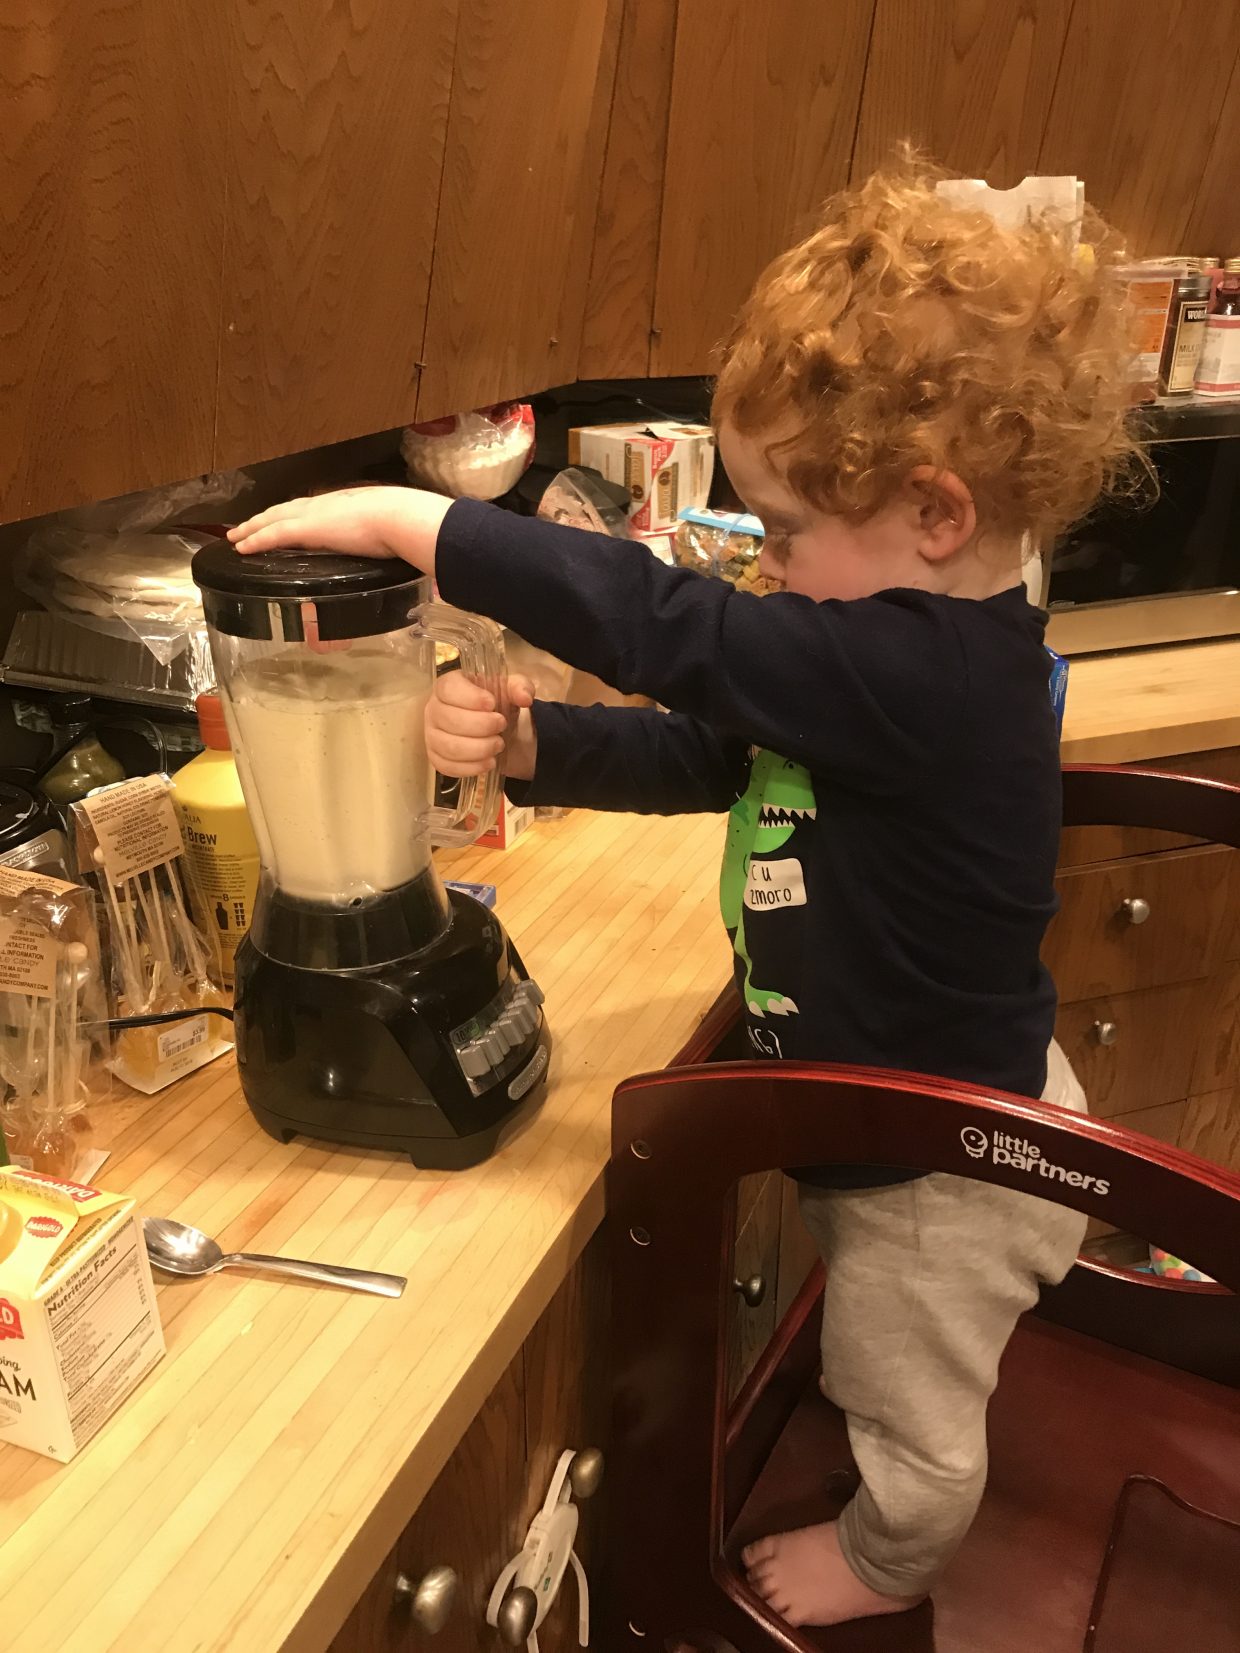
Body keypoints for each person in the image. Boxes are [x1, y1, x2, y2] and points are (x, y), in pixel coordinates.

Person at [228, 160, 1144, 1629]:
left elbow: (681, 635)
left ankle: (890, 1553)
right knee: (898, 1350)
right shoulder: (897, 664)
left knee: (906, 1401)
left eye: (782, 532)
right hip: (948, 1083)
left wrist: (429, 527)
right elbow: (715, 745)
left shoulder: (929, 678)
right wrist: (539, 745)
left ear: (932, 510)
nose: (762, 570)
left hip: (933, 1164)